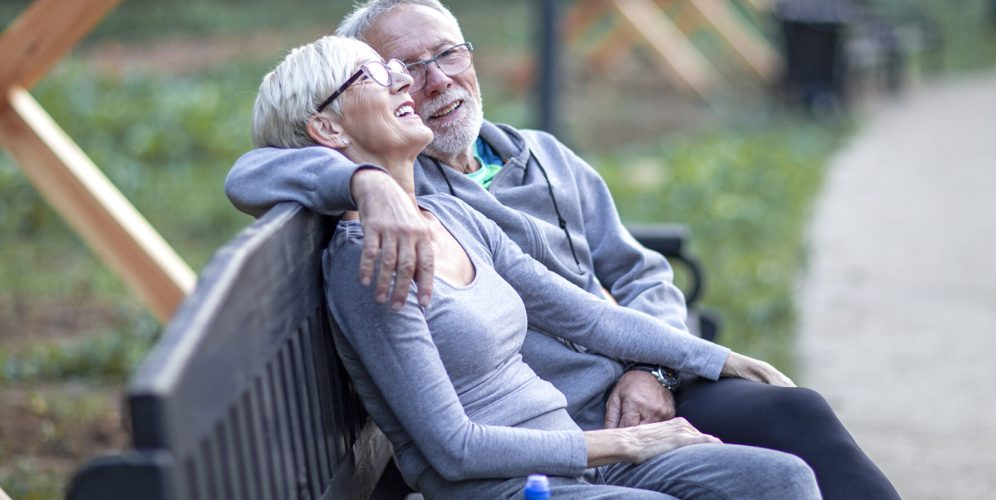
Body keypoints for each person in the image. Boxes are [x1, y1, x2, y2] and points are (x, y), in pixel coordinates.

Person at [227, 1, 899, 498]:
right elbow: (253, 173)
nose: (427, 82)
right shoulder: (402, 199)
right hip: (551, 429)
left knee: (792, 429)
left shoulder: (540, 157)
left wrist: (667, 370)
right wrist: (364, 179)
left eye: (446, 55)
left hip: (630, 396)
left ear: (470, 56)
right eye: (399, 70)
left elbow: (623, 287)